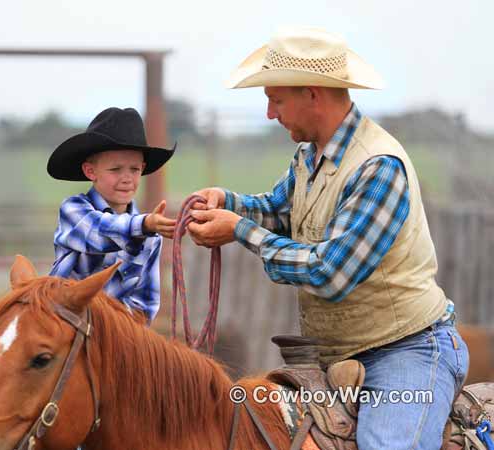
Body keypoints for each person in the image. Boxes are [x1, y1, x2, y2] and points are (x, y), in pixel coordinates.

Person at [187, 27, 469, 449]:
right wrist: (227, 202)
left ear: (313, 94)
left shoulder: (378, 166)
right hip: (337, 353)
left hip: (407, 351)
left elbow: (332, 272)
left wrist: (238, 230)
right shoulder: (309, 155)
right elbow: (281, 210)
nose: (269, 114)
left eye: (276, 100)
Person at [46, 107, 176, 324]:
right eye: (115, 169)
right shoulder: (73, 210)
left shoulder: (151, 235)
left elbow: (145, 304)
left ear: (142, 169)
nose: (127, 178)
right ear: (91, 172)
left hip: (111, 338)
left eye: (134, 170)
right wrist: (144, 224)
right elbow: (98, 233)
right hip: (60, 325)